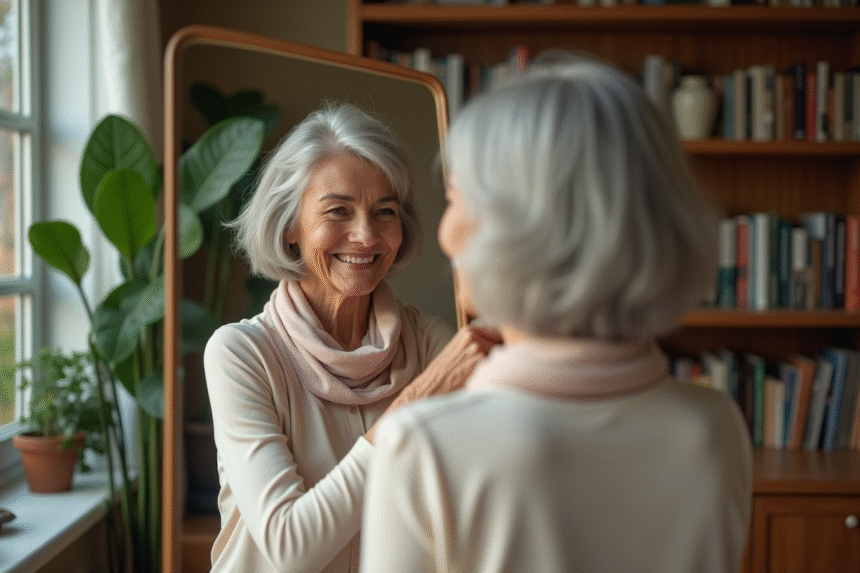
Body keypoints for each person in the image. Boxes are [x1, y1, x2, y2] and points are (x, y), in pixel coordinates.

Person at [360, 53, 753, 573]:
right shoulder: (716, 427)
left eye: (458, 199)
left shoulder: (425, 448)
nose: (445, 234)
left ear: (525, 231)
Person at [203, 103, 501, 573]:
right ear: (289, 228)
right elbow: (289, 548)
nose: (365, 235)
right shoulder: (241, 353)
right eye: (338, 211)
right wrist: (414, 405)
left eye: (384, 212)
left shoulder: (431, 345)